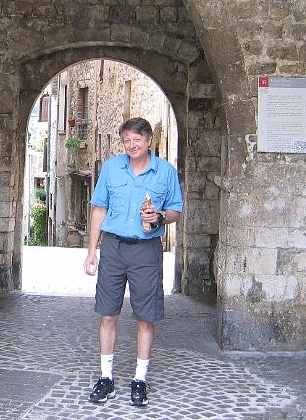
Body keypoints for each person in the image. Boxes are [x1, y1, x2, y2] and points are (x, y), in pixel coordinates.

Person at [83, 117, 183, 406]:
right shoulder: (112, 168)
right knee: (107, 313)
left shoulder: (165, 172)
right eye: (127, 140)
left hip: (146, 250)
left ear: (149, 140)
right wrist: (92, 251)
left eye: (137, 139)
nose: (132, 144)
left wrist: (161, 216)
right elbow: (99, 209)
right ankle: (106, 378)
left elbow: (176, 209)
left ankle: (140, 379)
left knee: (146, 316)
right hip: (113, 248)